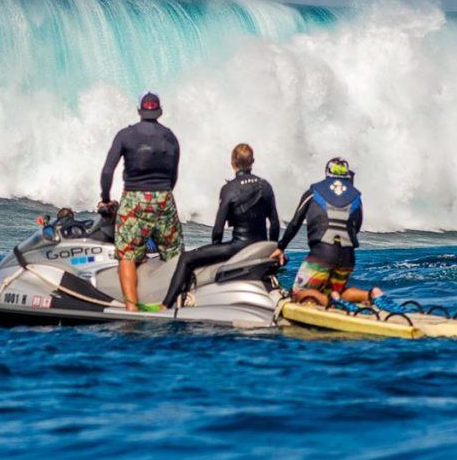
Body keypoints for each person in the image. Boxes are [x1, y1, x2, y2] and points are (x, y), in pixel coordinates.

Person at [161, 143, 278, 309]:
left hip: (238, 247)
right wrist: (274, 249)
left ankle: (166, 305)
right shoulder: (265, 186)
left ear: (232, 163)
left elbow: (218, 228)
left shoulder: (229, 189)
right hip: (261, 246)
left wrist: (215, 248)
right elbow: (275, 223)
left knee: (186, 258)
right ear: (252, 161)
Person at [270, 157, 397, 311]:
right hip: (347, 257)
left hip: (322, 255)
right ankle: (372, 294)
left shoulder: (313, 192)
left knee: (298, 294)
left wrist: (281, 247)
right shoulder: (356, 196)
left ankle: (331, 299)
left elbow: (295, 223)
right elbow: (355, 227)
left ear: (327, 172)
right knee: (338, 290)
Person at [98, 91, 183, 312]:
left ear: (139, 111)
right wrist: (161, 195)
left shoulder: (126, 135)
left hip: (134, 198)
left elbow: (108, 172)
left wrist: (106, 200)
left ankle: (131, 308)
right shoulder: (170, 137)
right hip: (164, 197)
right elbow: (174, 174)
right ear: (159, 111)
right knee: (174, 253)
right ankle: (176, 303)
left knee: (127, 253)